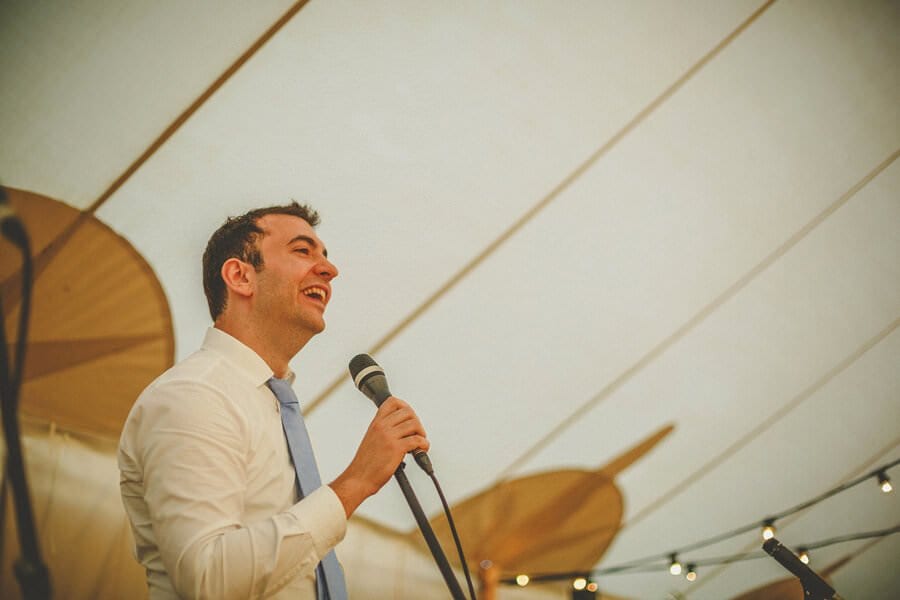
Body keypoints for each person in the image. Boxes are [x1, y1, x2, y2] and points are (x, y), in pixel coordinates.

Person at [118, 202, 428, 599]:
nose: (330, 270)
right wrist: (357, 482)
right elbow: (207, 579)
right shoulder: (193, 396)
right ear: (240, 276)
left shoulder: (271, 403)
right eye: (303, 251)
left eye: (325, 257)